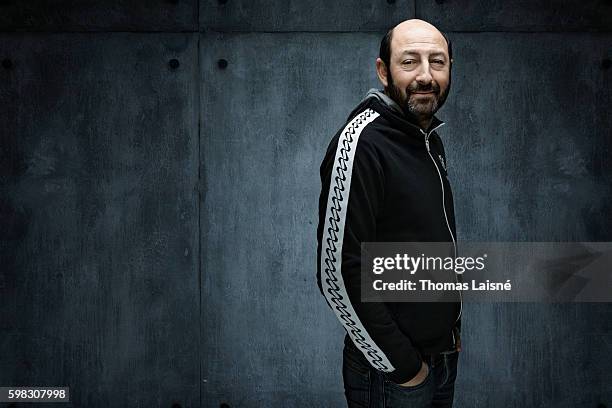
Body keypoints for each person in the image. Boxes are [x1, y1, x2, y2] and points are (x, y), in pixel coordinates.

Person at [316, 19, 463, 407]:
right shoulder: (361, 142)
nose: (425, 76)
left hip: (440, 359)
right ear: (384, 71)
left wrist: (449, 330)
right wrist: (404, 368)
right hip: (392, 375)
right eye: (409, 62)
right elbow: (338, 275)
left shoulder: (429, 140)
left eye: (438, 62)